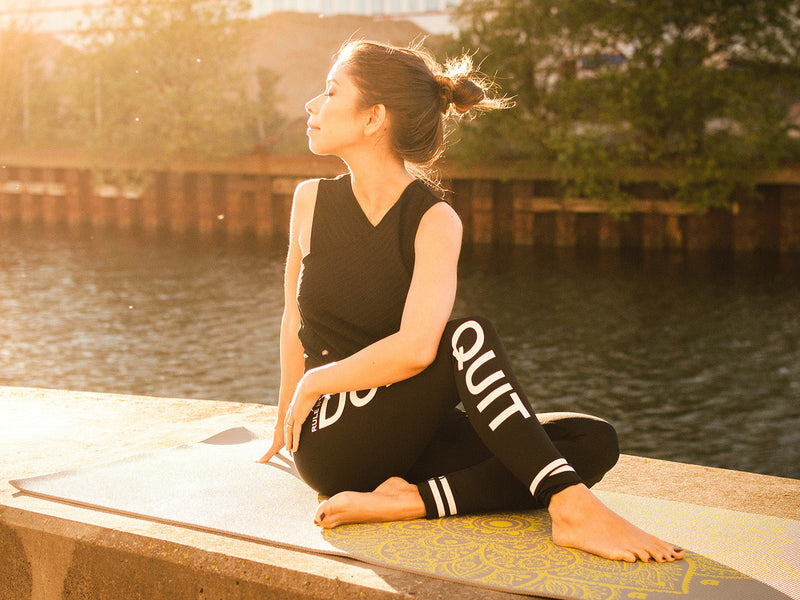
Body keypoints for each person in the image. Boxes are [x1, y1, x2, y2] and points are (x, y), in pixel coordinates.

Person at [258, 39, 684, 564]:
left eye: (330, 91)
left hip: (407, 434)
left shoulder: (434, 221)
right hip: (334, 438)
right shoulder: (310, 201)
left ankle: (410, 501)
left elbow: (414, 350)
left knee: (591, 441)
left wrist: (311, 381)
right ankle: (572, 511)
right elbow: (292, 317)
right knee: (469, 336)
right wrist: (287, 414)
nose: (312, 105)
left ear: (373, 119)